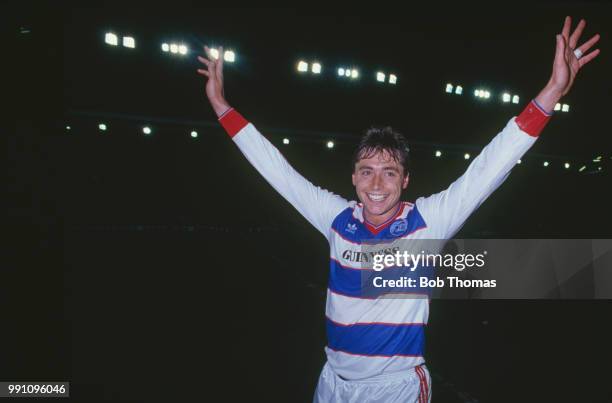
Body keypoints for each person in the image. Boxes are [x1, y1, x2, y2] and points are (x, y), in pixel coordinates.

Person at [197, 16, 599, 403]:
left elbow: (490, 166)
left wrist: (551, 91)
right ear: (352, 177)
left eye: (389, 173)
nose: (376, 185)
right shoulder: (335, 219)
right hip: (332, 383)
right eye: (367, 171)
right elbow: (276, 170)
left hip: (394, 389)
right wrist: (220, 104)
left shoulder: (427, 221)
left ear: (406, 180)